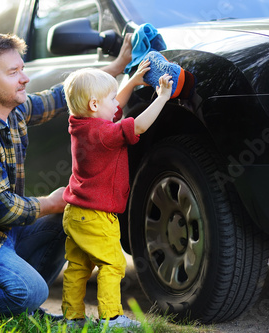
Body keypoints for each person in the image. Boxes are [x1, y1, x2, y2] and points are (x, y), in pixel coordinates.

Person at [0, 32, 133, 320]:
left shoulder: (12, 108)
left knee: (67, 217)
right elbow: (1, 208)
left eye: (22, 69)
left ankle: (22, 307)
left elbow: (63, 95)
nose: (25, 78)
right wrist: (51, 201)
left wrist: (118, 67)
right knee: (30, 290)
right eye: (13, 72)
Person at [61, 61, 173, 328]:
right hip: (98, 217)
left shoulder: (80, 124)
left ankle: (72, 318)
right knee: (112, 264)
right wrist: (162, 98)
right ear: (95, 106)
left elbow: (112, 109)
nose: (117, 104)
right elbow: (139, 126)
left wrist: (131, 82)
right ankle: (111, 318)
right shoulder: (104, 134)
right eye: (111, 98)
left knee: (77, 268)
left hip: (75, 213)